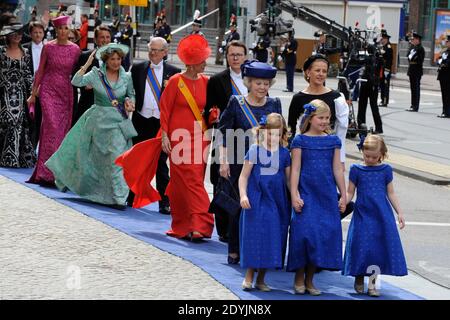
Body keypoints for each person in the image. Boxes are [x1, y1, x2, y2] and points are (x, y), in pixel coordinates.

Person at [45, 43, 136, 210]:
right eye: (112, 59)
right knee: (97, 160)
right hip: (98, 121)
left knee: (116, 158)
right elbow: (76, 81)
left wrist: (131, 103)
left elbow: (131, 94)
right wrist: (87, 65)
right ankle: (99, 194)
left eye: (118, 59)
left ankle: (118, 197)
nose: (116, 62)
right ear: (106, 61)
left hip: (118, 121)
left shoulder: (127, 77)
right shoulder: (96, 75)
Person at [218, 60, 281, 264]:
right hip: (239, 163)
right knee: (239, 206)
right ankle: (234, 248)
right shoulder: (237, 102)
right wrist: (224, 161)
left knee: (263, 209)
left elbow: (281, 134)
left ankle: (257, 249)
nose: (262, 88)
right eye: (258, 83)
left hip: (266, 164)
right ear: (248, 82)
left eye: (266, 84)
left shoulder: (274, 104)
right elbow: (224, 132)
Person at [287, 100, 346, 296]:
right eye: (321, 118)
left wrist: (344, 195)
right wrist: (294, 194)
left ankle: (310, 279)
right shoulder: (300, 140)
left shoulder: (333, 141)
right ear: (310, 118)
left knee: (320, 236)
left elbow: (337, 169)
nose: (325, 121)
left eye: (328, 118)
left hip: (326, 194)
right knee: (304, 234)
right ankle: (298, 277)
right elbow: (295, 169)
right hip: (306, 193)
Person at [343, 134, 407, 297]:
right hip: (363, 214)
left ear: (382, 154)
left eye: (374, 157)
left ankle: (372, 284)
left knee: (377, 249)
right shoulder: (356, 169)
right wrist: (344, 202)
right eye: (367, 156)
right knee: (362, 246)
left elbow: (390, 193)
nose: (370, 159)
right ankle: (358, 277)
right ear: (362, 152)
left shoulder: (385, 170)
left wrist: (399, 212)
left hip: (381, 215)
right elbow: (350, 191)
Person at [239, 113, 291, 292]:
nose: (273, 138)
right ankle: (249, 275)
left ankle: (261, 278)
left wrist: (297, 196)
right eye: (270, 134)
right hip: (257, 198)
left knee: (272, 238)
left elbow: (290, 180)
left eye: (277, 134)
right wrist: (243, 195)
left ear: (283, 134)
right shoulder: (255, 150)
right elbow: (243, 176)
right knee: (255, 236)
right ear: (263, 132)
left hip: (277, 201)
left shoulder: (285, 154)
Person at [129, 36, 181, 214]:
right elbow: (130, 91)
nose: (152, 53)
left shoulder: (174, 72)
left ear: (165, 52)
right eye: (150, 49)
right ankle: (131, 195)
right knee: (137, 160)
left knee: (160, 163)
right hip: (140, 119)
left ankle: (164, 202)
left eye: (156, 50)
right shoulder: (137, 68)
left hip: (161, 124)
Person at [27, 15, 80, 186]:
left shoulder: (75, 49)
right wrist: (34, 94)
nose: (63, 31)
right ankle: (44, 173)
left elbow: (79, 71)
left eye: (66, 28)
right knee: (51, 127)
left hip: (66, 92)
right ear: (55, 30)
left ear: (69, 30)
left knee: (62, 132)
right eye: (60, 28)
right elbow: (40, 71)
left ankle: (57, 172)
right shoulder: (48, 47)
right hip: (48, 90)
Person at [205, 40, 248, 243]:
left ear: (246, 56)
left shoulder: (253, 78)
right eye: (232, 54)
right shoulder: (216, 80)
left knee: (245, 181)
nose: (236, 58)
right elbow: (208, 109)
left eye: (239, 54)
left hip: (249, 138)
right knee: (221, 181)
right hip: (224, 137)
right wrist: (212, 115)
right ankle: (223, 229)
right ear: (227, 56)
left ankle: (242, 224)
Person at [288, 54, 348, 167]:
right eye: (317, 70)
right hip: (304, 153)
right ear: (308, 72)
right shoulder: (298, 98)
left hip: (329, 153)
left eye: (324, 71)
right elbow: (291, 129)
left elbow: (341, 130)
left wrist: (341, 158)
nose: (321, 74)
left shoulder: (337, 97)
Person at [0, 22, 36, 168]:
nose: (17, 36)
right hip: (3, 92)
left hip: (19, 94)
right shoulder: (1, 51)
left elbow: (28, 74)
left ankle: (11, 158)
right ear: (8, 36)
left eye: (20, 33)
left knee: (16, 124)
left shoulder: (26, 52)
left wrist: (33, 91)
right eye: (14, 33)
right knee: (6, 123)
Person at [72, 24, 113, 125]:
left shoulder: (117, 58)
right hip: (87, 106)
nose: (105, 40)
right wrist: (85, 85)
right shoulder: (85, 56)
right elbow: (75, 79)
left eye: (107, 37)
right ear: (95, 39)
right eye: (102, 37)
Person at [23, 21, 45, 150]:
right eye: (35, 32)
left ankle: (34, 147)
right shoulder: (24, 49)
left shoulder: (48, 48)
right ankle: (27, 148)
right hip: (27, 89)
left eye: (40, 32)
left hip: (43, 89)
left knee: (39, 119)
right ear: (30, 34)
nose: (38, 35)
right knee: (28, 119)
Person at [357, 44, 383, 134]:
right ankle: (379, 127)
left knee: (362, 105)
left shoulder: (367, 59)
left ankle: (361, 125)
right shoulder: (379, 59)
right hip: (374, 85)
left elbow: (357, 61)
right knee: (374, 106)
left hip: (366, 83)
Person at [406, 32, 425, 112]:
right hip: (411, 69)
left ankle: (415, 106)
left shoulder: (421, 49)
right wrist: (412, 55)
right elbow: (408, 55)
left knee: (416, 89)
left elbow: (420, 60)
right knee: (412, 88)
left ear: (418, 40)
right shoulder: (412, 47)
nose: (412, 41)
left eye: (414, 39)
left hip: (417, 70)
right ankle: (412, 104)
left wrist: (413, 57)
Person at [378, 31, 393, 107]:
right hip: (381, 68)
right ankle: (382, 99)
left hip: (386, 69)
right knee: (381, 85)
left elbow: (389, 60)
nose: (381, 40)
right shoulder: (383, 46)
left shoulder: (388, 47)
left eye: (382, 38)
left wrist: (387, 70)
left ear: (386, 39)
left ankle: (385, 100)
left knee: (385, 85)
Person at [437, 35, 450, 118]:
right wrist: (440, 61)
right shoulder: (445, 51)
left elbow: (448, 62)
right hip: (442, 75)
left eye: (448, 41)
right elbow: (439, 59)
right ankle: (444, 111)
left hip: (448, 76)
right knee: (444, 94)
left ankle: (448, 112)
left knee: (448, 95)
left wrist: (444, 62)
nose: (446, 43)